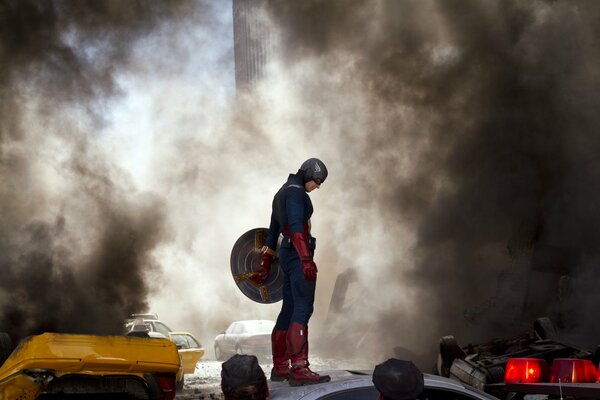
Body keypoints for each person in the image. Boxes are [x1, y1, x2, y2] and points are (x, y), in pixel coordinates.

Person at [253, 158, 330, 386]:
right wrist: (306, 259)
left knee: (288, 309)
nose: (318, 186)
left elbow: (272, 231)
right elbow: (297, 226)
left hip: (286, 254)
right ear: (308, 173)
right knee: (303, 307)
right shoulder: (296, 192)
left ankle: (279, 367)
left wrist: (266, 260)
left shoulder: (281, 192)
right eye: (317, 181)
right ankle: (299, 368)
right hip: (297, 254)